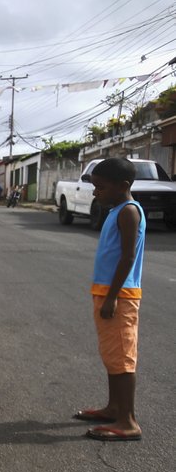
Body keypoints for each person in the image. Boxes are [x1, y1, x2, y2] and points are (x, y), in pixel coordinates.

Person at [73, 157, 145, 441]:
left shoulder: (128, 211)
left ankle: (128, 421)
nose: (95, 193)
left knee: (123, 357)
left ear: (123, 186)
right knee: (113, 355)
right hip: (107, 292)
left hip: (120, 294)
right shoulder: (117, 209)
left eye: (100, 188)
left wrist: (112, 297)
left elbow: (128, 258)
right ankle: (114, 407)